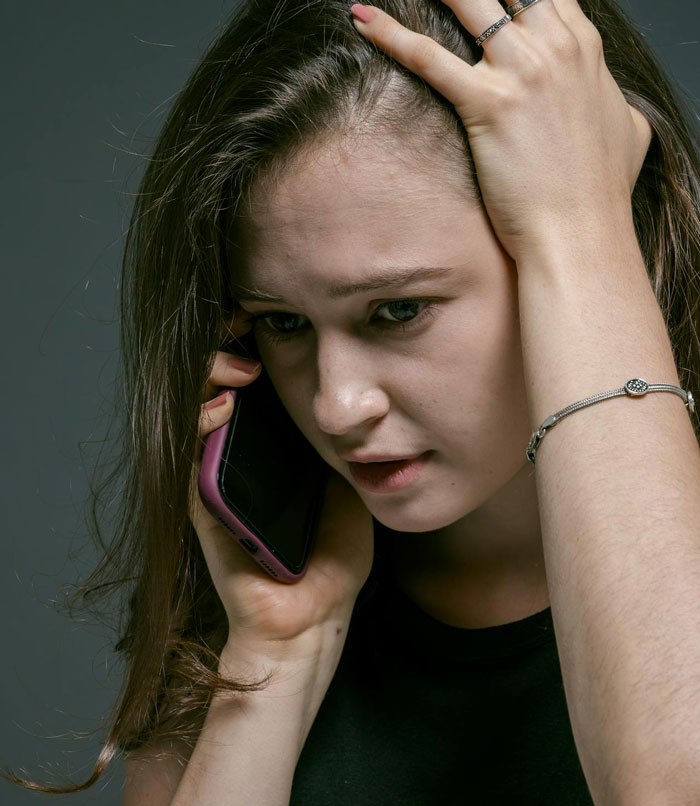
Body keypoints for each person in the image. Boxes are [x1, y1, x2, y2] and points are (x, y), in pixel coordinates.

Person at [6, 0, 700, 802]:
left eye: (398, 310)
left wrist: (581, 224)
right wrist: (278, 655)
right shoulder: (238, 605)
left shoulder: (582, 234)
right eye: (284, 323)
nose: (336, 407)